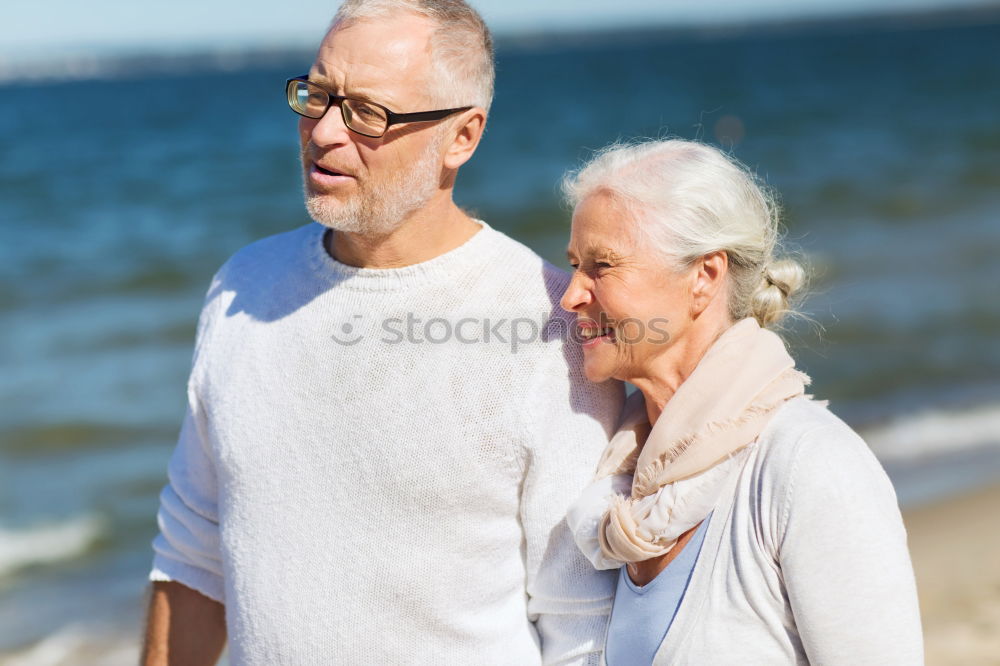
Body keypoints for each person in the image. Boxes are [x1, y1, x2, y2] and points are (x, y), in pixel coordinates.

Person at [141, 1, 623, 664]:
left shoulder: (547, 326)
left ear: (462, 136)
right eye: (318, 96)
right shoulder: (242, 287)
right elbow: (194, 554)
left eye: (368, 112)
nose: (325, 132)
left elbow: (581, 621)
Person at [560, 139, 924, 665]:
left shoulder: (808, 464)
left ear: (704, 278)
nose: (571, 295)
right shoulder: (625, 481)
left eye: (602, 266)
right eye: (574, 264)